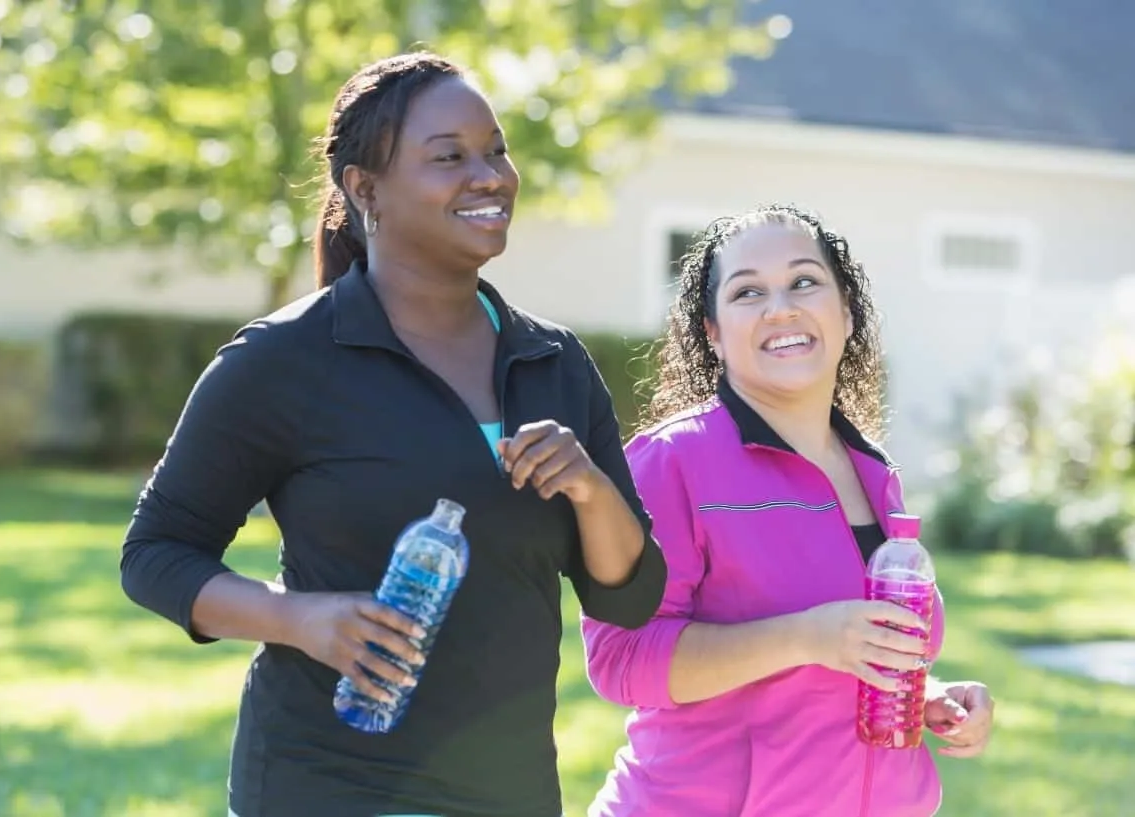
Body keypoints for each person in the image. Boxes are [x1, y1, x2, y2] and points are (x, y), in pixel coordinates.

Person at [119, 52, 667, 817]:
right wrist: (300, 617)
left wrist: (590, 488)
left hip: (509, 793)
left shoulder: (554, 363)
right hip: (330, 785)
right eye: (449, 157)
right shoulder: (283, 361)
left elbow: (631, 597)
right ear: (365, 189)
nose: (490, 175)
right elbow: (154, 554)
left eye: (497, 150)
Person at [580, 205, 995, 816]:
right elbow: (622, 658)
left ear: (846, 312)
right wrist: (805, 638)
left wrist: (928, 696)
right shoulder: (671, 461)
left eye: (804, 281)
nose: (782, 308)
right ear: (713, 331)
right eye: (748, 291)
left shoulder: (873, 471)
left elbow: (845, 658)